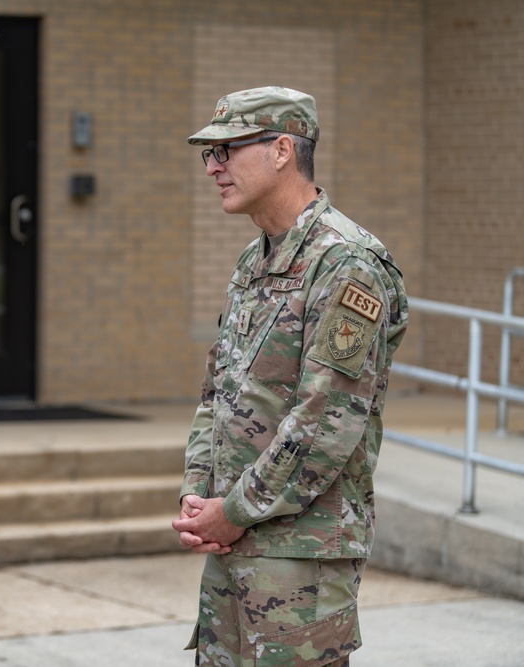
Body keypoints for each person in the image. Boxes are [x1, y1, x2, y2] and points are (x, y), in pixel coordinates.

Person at [171, 87, 409, 666]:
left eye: (227, 149)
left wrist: (231, 512)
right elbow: (218, 391)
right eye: (210, 153)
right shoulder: (254, 262)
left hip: (300, 556)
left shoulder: (345, 264)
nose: (214, 167)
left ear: (282, 150)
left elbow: (324, 423)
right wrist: (199, 493)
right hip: (235, 541)